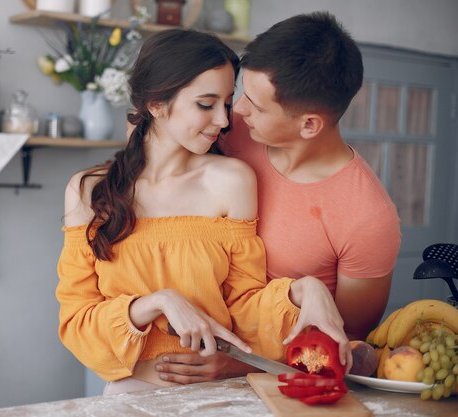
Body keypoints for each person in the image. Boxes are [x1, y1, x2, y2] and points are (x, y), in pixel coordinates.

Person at [56, 28, 350, 395]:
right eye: (205, 104)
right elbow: (75, 321)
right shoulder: (89, 191)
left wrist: (307, 291)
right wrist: (157, 303)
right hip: (131, 394)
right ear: (156, 104)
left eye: (227, 103)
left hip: (222, 394)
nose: (225, 121)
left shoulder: (233, 181)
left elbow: (244, 306)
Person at [155, 11, 401, 384]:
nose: (236, 111)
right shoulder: (227, 131)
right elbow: (152, 135)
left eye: (255, 103)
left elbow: (345, 346)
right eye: (241, 93)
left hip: (270, 386)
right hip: (170, 352)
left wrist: (237, 365)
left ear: (309, 124)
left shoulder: (368, 218)